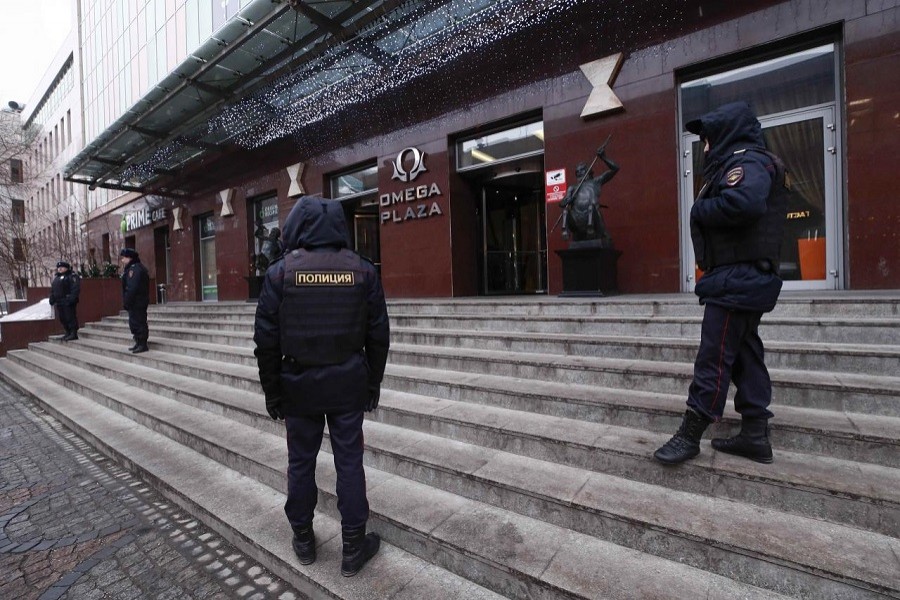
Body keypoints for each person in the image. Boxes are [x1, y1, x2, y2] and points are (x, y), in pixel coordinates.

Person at [253, 195, 390, 577]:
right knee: (349, 463)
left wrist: (272, 391)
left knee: (300, 463)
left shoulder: (281, 273)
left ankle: (303, 539)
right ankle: (352, 547)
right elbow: (379, 334)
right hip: (347, 384)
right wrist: (372, 382)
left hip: (299, 386)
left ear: (297, 226)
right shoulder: (363, 271)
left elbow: (266, 339)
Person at [654, 101, 789, 466]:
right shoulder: (747, 161)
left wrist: (700, 210)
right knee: (746, 355)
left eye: (709, 139)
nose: (706, 147)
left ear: (726, 134)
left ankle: (691, 433)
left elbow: (745, 203)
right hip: (742, 279)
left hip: (738, 280)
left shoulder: (745, 164)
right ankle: (756, 434)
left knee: (713, 355)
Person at [559, 144, 619, 245]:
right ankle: (565, 230)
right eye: (577, 172)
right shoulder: (572, 188)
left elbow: (615, 169)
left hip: (592, 215)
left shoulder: (596, 181)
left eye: (581, 171)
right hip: (576, 219)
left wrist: (603, 157)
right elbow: (562, 203)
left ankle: (592, 227)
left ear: (588, 171)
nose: (578, 173)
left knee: (592, 207)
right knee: (565, 211)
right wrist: (567, 200)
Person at [119, 247, 150, 353]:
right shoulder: (132, 268)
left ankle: (142, 344)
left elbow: (132, 288)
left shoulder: (135, 269)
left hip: (137, 302)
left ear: (130, 258)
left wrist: (127, 301)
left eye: (124, 258)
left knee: (139, 322)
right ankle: (138, 342)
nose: (122, 260)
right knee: (134, 322)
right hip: (135, 302)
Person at [48, 261, 81, 341]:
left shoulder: (71, 276)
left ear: (66, 268)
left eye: (61, 267)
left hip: (68, 301)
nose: (59, 269)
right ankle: (67, 332)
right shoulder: (57, 278)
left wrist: (71, 299)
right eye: (58, 268)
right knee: (63, 318)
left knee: (70, 317)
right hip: (59, 302)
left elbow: (75, 288)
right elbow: (53, 290)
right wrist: (52, 298)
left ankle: (73, 333)